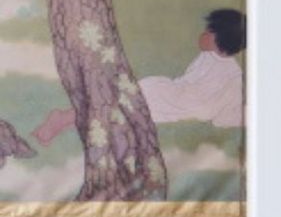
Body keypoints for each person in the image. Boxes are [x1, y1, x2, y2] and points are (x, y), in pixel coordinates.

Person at [34, 9, 246, 145]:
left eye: (210, 32)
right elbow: (190, 85)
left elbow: (224, 118)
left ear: (224, 40)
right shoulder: (208, 57)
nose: (203, 35)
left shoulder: (233, 77)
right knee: (116, 103)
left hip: (174, 103)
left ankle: (64, 119)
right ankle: (64, 119)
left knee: (117, 109)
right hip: (169, 95)